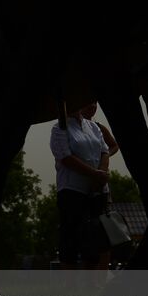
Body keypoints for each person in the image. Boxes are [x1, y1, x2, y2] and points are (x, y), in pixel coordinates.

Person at [50, 103, 111, 269]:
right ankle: (69, 282)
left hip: (97, 191)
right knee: (70, 237)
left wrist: (101, 173)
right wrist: (93, 174)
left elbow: (104, 151)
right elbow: (66, 158)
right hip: (72, 190)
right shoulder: (59, 128)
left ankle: (93, 281)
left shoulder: (92, 126)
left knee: (96, 237)